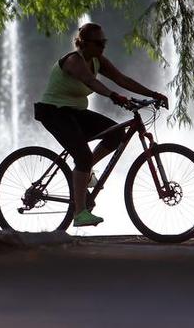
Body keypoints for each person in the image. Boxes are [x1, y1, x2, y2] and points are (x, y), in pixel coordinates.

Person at [34, 22, 168, 227]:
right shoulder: (73, 61)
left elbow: (122, 79)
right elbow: (91, 82)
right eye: (98, 43)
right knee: (83, 156)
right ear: (84, 44)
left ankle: (82, 172)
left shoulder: (97, 59)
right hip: (54, 112)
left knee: (115, 134)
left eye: (104, 43)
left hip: (75, 112)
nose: (102, 47)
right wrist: (114, 96)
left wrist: (153, 94)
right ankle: (79, 214)